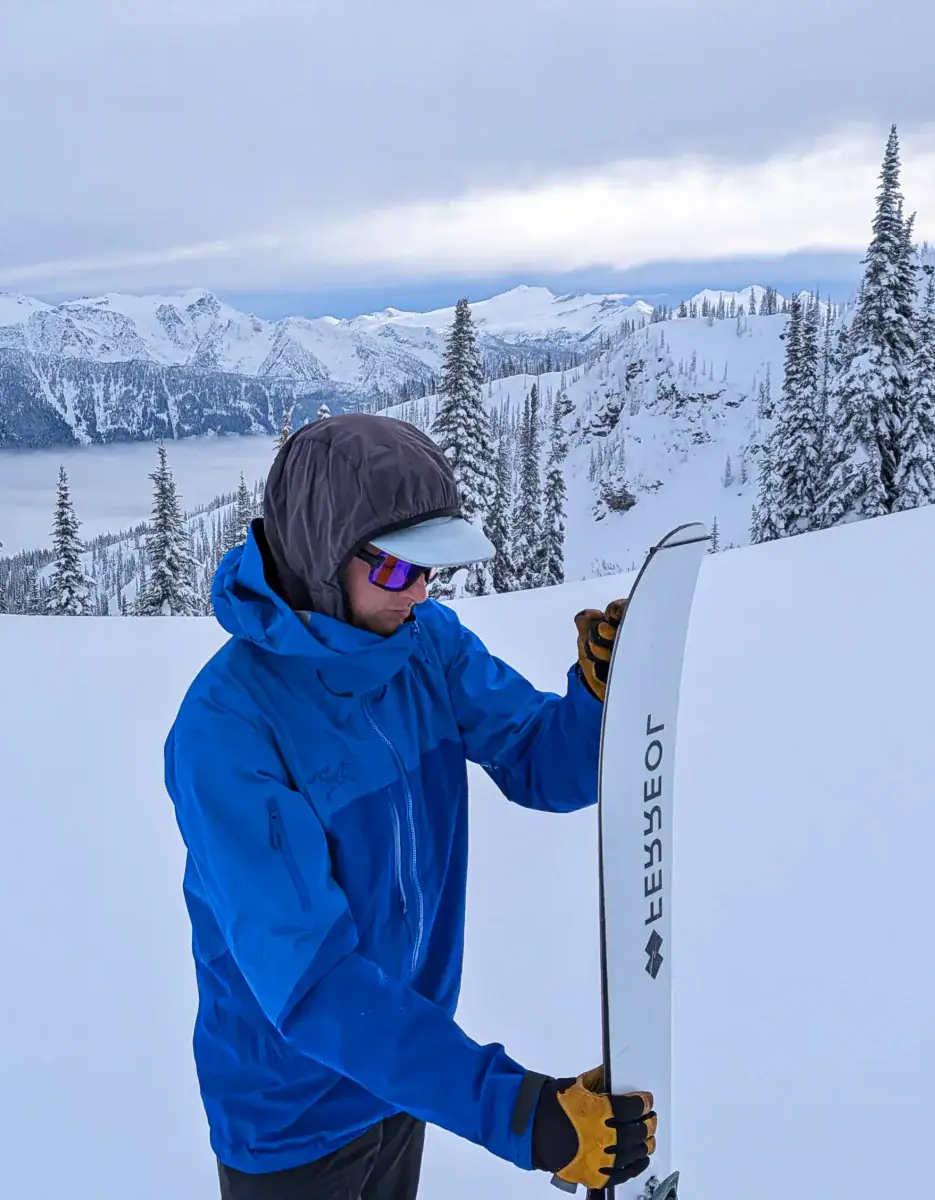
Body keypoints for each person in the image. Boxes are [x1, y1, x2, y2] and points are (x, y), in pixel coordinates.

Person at [164, 414, 657, 1200]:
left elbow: (538, 760)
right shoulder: (228, 733)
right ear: (324, 560)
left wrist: (598, 704)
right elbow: (315, 985)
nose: (420, 593)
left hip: (405, 1077)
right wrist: (521, 1112)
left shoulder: (427, 645)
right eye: (398, 571)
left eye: (433, 571)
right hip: (290, 1119)